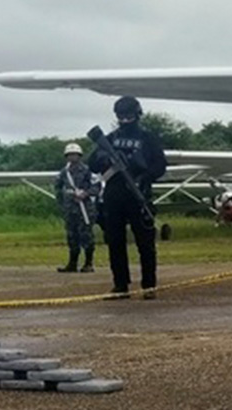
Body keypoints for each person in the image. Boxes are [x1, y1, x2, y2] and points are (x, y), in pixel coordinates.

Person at [88, 96, 167, 299]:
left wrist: (145, 177)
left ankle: (149, 286)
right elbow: (93, 164)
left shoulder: (148, 138)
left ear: (137, 114)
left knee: (145, 243)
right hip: (114, 196)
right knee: (115, 241)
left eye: (128, 115)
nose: (125, 119)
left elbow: (160, 165)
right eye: (121, 116)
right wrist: (105, 159)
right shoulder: (110, 139)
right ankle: (120, 285)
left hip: (138, 194)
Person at [53, 143, 99, 273]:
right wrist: (62, 203)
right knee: (72, 236)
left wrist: (85, 194)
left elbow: (96, 186)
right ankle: (72, 264)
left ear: (79, 156)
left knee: (87, 236)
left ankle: (88, 263)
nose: (72, 157)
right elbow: (58, 188)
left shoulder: (88, 170)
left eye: (75, 155)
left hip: (85, 209)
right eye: (70, 155)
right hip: (70, 209)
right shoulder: (64, 172)